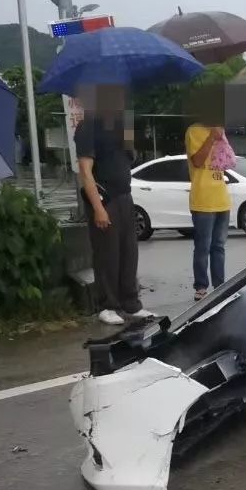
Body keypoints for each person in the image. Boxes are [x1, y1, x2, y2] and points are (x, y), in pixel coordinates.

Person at [75, 86, 152, 325]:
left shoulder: (123, 125)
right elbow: (85, 172)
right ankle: (107, 305)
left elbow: (131, 157)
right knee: (107, 254)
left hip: (125, 196)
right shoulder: (88, 126)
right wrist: (97, 207)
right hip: (104, 198)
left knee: (129, 251)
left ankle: (131, 302)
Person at [185, 118, 231, 298]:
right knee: (203, 246)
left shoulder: (219, 129)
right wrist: (212, 136)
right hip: (203, 199)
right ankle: (201, 287)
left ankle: (220, 286)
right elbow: (197, 161)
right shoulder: (194, 130)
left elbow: (226, 161)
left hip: (222, 198)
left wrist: (220, 136)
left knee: (219, 246)